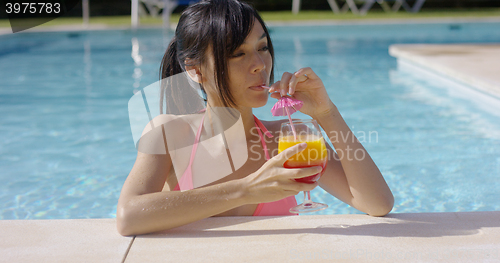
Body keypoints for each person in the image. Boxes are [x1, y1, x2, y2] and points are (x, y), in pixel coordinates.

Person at [117, 0, 393, 236]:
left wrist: (326, 112)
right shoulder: (170, 134)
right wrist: (247, 190)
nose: (260, 65)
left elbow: (377, 203)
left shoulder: (288, 137)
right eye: (238, 53)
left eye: (262, 48)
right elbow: (128, 216)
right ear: (194, 69)